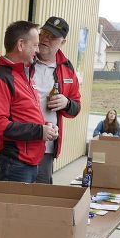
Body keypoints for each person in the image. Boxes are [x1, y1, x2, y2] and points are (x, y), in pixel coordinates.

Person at [0, 20, 58, 182]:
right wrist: (39, 131)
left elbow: (22, 114)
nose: (38, 50)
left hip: (27, 163)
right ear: (21, 45)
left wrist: (44, 126)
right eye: (35, 45)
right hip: (12, 165)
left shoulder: (23, 74)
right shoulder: (1, 78)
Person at [31, 16, 82, 184]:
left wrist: (66, 103)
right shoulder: (26, 60)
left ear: (63, 42)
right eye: (44, 33)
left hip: (46, 147)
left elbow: (76, 107)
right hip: (18, 146)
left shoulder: (67, 68)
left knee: (41, 200)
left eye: (52, 36)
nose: (45, 38)